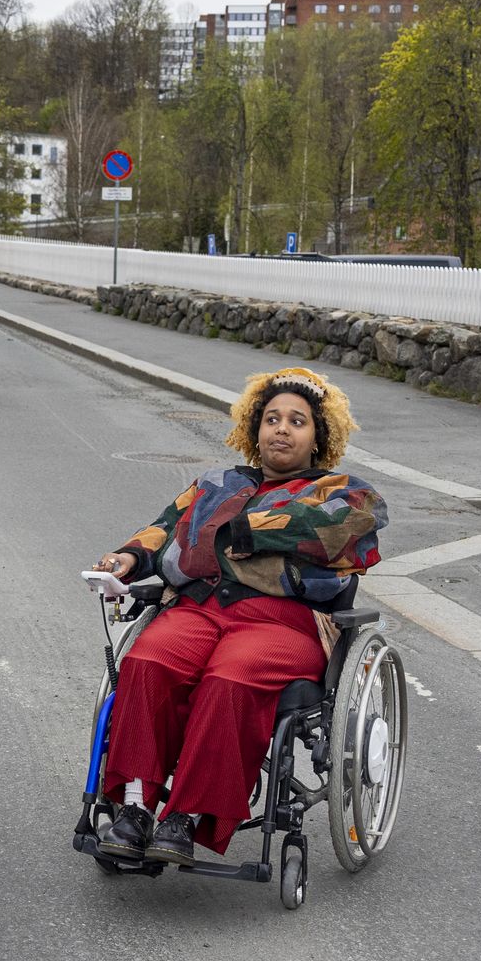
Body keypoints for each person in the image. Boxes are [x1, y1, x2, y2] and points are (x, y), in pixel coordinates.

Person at [90, 368, 386, 866]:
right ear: (255, 429)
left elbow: (356, 528)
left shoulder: (339, 489)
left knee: (231, 677)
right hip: (202, 608)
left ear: (319, 436)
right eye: (272, 419)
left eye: (297, 420)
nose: (282, 429)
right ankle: (137, 808)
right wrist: (126, 557)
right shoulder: (215, 484)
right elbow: (166, 528)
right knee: (148, 659)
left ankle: (184, 817)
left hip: (282, 621)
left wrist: (251, 528)